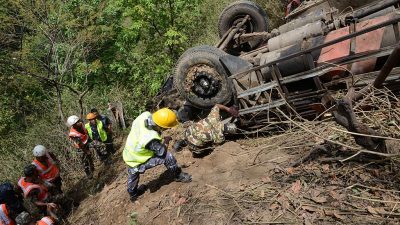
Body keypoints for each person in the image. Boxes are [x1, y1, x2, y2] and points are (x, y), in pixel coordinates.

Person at [123, 108, 192, 202]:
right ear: (161, 126)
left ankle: (133, 194)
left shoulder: (144, 115)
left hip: (129, 153)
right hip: (138, 159)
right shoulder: (150, 139)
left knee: (133, 173)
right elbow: (162, 152)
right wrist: (166, 140)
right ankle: (178, 175)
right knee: (167, 156)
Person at [175, 104, 239, 155]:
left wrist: (229, 109)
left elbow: (217, 105)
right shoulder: (219, 136)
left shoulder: (213, 117)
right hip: (195, 147)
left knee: (196, 130)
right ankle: (197, 153)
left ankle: (181, 141)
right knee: (208, 147)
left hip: (187, 133)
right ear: (227, 132)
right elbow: (218, 145)